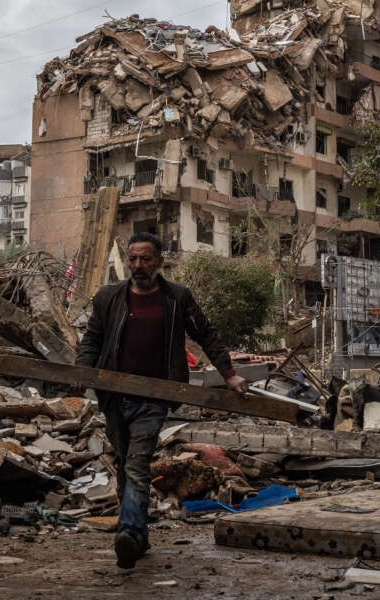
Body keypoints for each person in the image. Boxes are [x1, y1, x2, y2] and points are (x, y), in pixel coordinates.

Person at [75, 232, 248, 569]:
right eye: (133, 258)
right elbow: (92, 339)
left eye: (146, 259)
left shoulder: (176, 298)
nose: (138, 265)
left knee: (138, 465)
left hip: (155, 397)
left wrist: (229, 374)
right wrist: (84, 371)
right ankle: (139, 537)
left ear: (160, 261)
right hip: (114, 397)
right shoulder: (109, 297)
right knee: (126, 468)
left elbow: (206, 333)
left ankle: (128, 533)